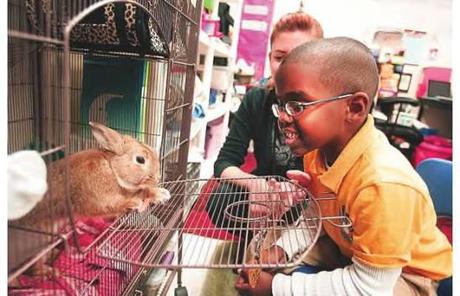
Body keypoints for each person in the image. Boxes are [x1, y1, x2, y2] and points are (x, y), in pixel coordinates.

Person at [235, 37, 452, 295]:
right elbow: (315, 217)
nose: (282, 117)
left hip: (406, 274)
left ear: (354, 108)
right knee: (260, 253)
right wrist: (279, 250)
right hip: (346, 244)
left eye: (297, 105)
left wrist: (275, 287)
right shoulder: (317, 153)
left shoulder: (382, 184)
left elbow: (369, 287)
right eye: (281, 105)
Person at [206, 12, 324, 236]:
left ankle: (286, 244)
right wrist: (255, 185)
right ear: (270, 58)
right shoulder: (257, 99)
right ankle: (257, 242)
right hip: (266, 187)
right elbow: (224, 162)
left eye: (300, 58)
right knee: (220, 201)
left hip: (308, 195)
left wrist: (298, 192)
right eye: (280, 58)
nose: (288, 68)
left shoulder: (325, 106)